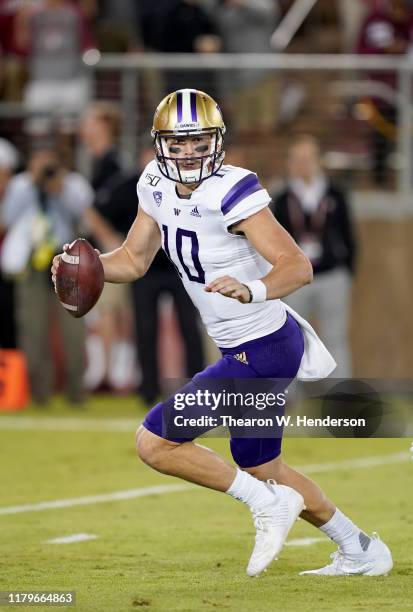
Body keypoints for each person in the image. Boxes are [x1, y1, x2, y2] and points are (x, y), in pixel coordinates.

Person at [52, 89, 392, 577]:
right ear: (159, 144)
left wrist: (253, 288)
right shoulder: (153, 182)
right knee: (265, 468)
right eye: (178, 142)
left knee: (155, 442)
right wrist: (84, 269)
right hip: (250, 347)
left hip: (264, 348)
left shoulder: (234, 189)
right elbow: (133, 259)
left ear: (218, 142)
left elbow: (297, 266)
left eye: (199, 142)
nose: (189, 152)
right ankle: (360, 548)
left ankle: (268, 506)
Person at [2, 148, 116, 405]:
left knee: (74, 330)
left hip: (68, 263)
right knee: (33, 329)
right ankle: (39, 394)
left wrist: (61, 188)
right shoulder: (21, 185)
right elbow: (7, 218)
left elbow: (86, 217)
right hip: (32, 262)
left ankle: (76, 392)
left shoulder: (72, 184)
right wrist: (33, 182)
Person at [272, 135, 357, 378]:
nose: (302, 164)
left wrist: (346, 272)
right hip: (296, 281)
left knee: (335, 337)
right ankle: (288, 395)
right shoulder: (282, 198)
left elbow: (349, 237)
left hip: (331, 277)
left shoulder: (335, 194)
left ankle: (339, 396)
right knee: (290, 338)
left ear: (318, 161)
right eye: (297, 159)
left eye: (307, 158)